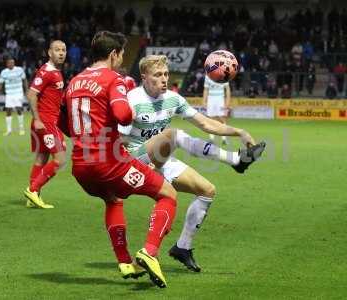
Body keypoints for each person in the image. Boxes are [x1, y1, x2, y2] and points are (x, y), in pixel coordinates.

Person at [119, 55, 265, 272]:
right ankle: (235, 160)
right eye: (158, 75)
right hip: (133, 160)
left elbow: (205, 123)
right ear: (144, 77)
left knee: (207, 190)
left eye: (166, 74)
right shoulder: (132, 100)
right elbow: (118, 140)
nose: (164, 79)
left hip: (160, 158)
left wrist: (239, 131)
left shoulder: (173, 99)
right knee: (174, 134)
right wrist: (138, 166)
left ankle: (182, 247)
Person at [64, 31, 177, 288]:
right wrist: (124, 93)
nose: (121, 59)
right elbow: (124, 116)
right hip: (109, 163)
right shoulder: (113, 79)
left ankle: (125, 262)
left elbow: (65, 124)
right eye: (121, 54)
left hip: (80, 165)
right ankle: (149, 251)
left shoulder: (74, 81)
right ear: (114, 54)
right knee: (167, 194)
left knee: (112, 199)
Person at [23, 40, 67, 209]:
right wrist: (38, 119)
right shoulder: (46, 71)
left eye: (63, 50)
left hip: (48, 121)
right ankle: (33, 190)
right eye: (57, 50)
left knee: (42, 157)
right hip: (46, 123)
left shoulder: (56, 72)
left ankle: (33, 197)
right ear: (50, 53)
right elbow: (31, 94)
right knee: (60, 159)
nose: (61, 53)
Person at [0, 57, 27, 136]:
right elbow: (0, 83)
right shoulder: (4, 72)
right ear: (7, 64)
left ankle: (21, 129)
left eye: (13, 62)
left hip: (18, 92)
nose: (11, 64)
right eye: (10, 63)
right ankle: (9, 130)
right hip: (9, 94)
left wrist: (27, 90)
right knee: (8, 111)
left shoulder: (19, 70)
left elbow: (24, 80)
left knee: (19, 109)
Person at [203, 73, 231, 145]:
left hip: (220, 99)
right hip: (211, 99)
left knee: (222, 119)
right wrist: (204, 101)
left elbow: (227, 89)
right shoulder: (208, 75)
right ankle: (211, 138)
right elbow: (206, 89)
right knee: (211, 119)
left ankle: (224, 138)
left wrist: (227, 101)